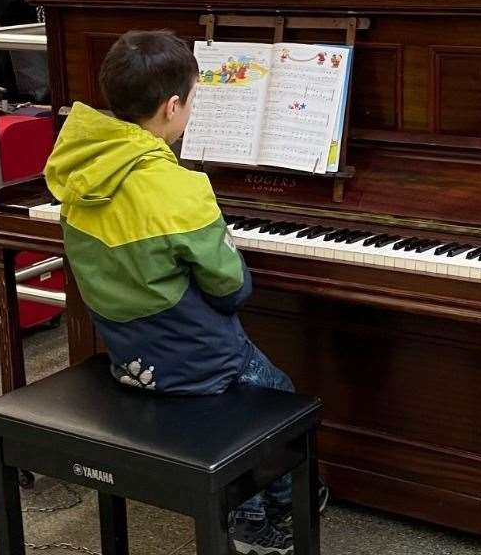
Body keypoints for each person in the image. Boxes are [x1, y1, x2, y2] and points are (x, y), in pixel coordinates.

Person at [43, 30, 305, 555]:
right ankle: (262, 517)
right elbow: (232, 287)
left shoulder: (76, 167)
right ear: (171, 107)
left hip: (129, 355)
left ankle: (250, 503)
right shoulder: (177, 187)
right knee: (280, 395)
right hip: (195, 362)